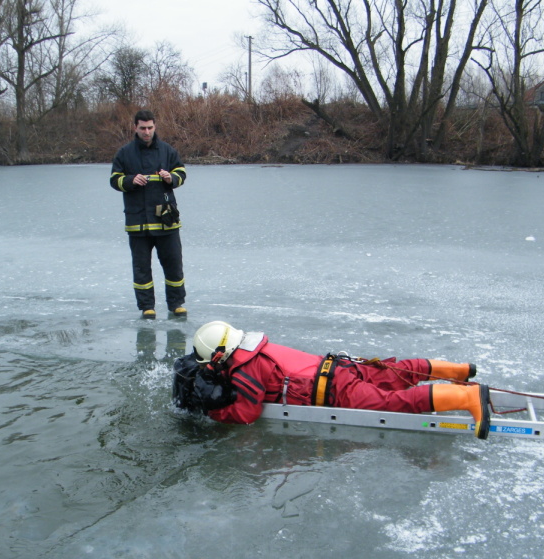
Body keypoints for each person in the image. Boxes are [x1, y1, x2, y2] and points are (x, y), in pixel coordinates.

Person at [173, 321, 492, 439]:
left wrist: (213, 411)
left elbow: (246, 413)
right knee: (396, 372)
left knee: (392, 404)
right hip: (337, 367)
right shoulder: (255, 345)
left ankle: (467, 398)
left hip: (334, 390)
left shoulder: (247, 369)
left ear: (219, 353)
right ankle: (460, 371)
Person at [110, 109, 188, 320]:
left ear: (155, 126)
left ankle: (176, 303)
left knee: (173, 266)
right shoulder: (124, 153)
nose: (147, 132)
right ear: (135, 127)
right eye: (143, 128)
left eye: (150, 128)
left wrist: (171, 177)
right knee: (142, 269)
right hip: (138, 223)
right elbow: (114, 180)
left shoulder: (167, 151)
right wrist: (129, 181)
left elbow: (181, 173)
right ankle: (147, 307)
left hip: (166, 222)